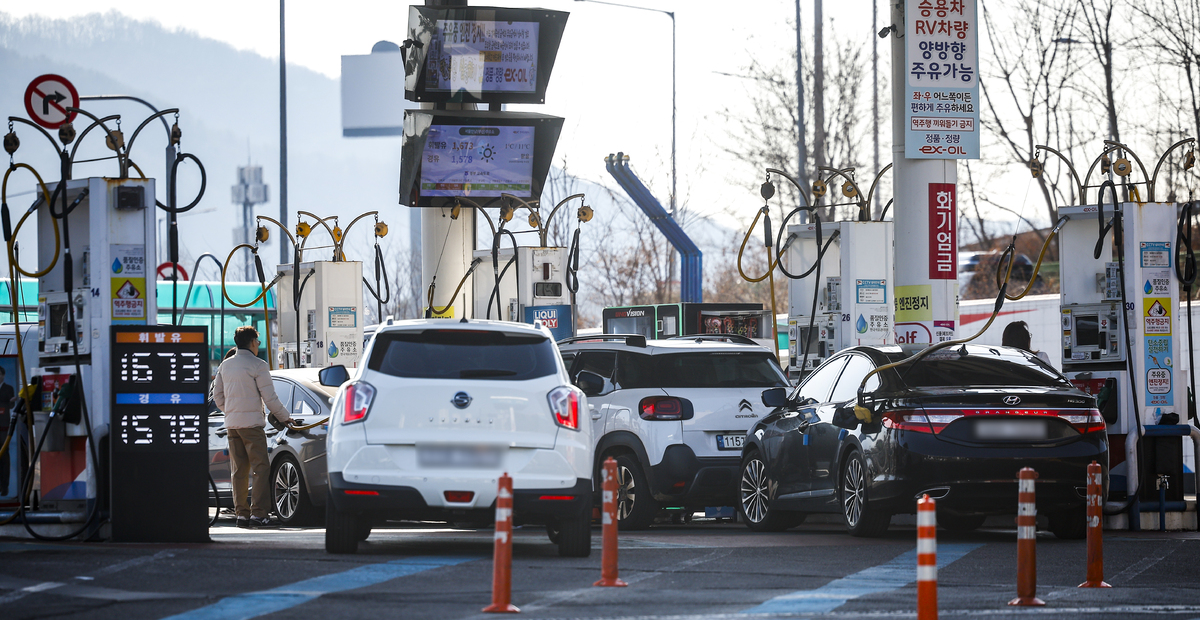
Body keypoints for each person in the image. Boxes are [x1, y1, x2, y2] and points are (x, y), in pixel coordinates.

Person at [213, 326, 291, 528]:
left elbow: (217, 397)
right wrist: (285, 417)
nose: (258, 345)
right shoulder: (258, 365)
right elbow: (270, 398)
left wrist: (232, 410)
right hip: (252, 426)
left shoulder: (225, 365)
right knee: (260, 469)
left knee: (238, 471)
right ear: (252, 342)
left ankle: (241, 515)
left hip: (232, 425)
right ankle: (259, 514)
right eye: (258, 341)